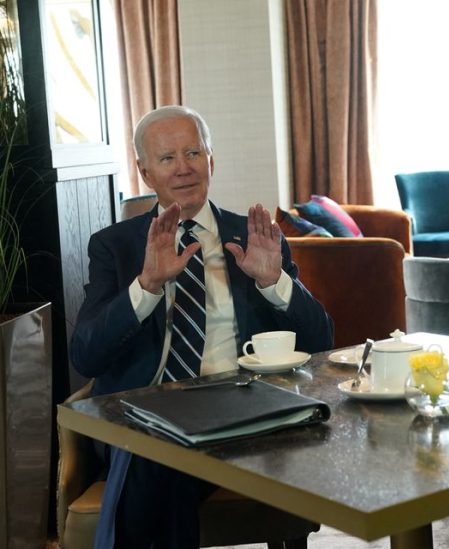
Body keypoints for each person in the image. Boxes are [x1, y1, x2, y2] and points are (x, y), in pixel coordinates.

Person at [70, 105, 334, 548]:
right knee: (155, 453)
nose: (183, 168)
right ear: (145, 171)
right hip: (145, 412)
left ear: (211, 160)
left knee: (160, 459)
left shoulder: (255, 236)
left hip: (240, 409)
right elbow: (86, 355)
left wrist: (273, 281)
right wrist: (147, 284)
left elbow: (321, 340)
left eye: (193, 152)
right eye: (167, 158)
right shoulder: (113, 247)